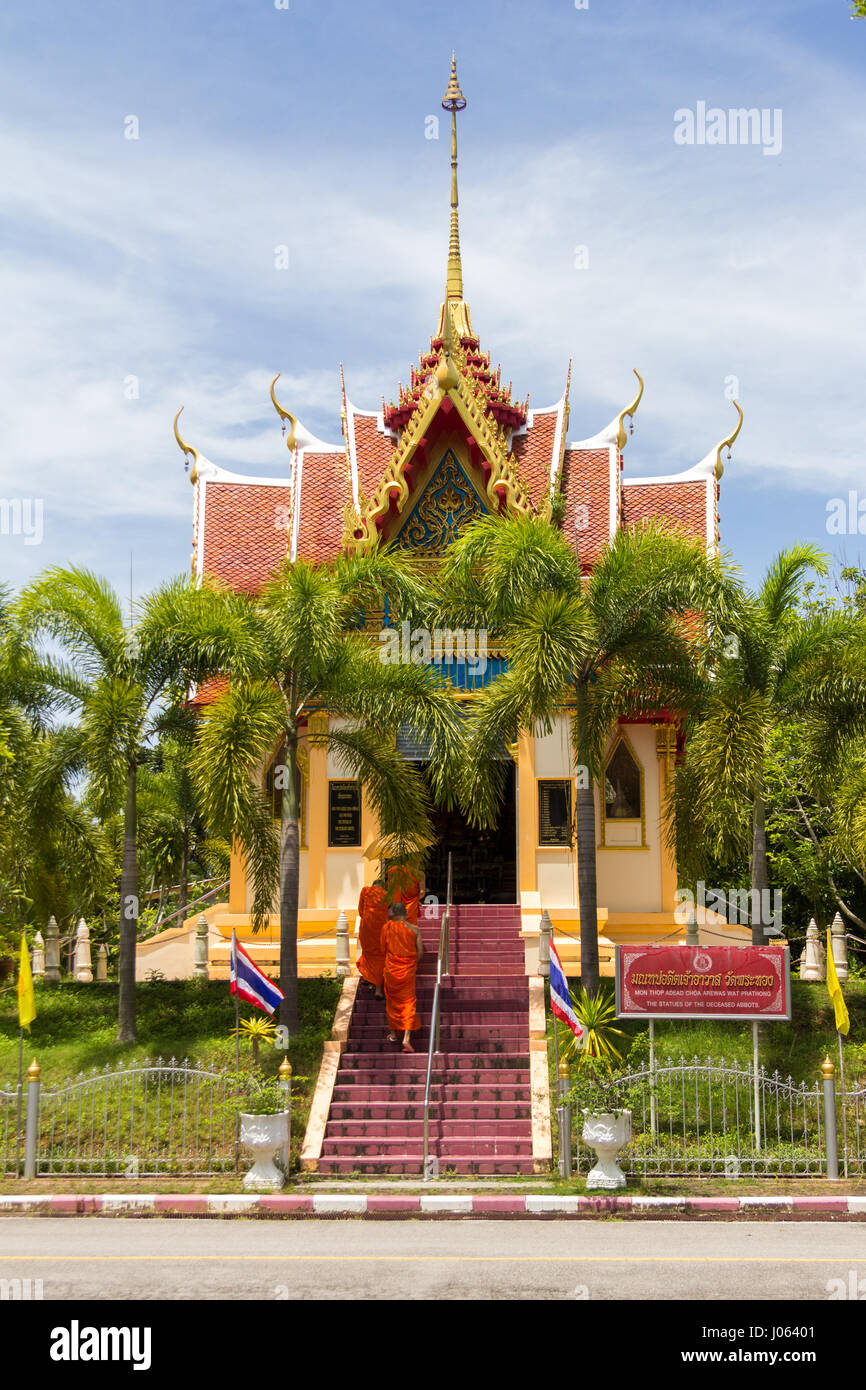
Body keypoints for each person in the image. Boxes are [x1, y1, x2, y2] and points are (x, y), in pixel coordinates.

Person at [382, 901, 424, 1052]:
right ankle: (406, 1038)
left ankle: (393, 1034)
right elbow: (420, 952)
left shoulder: (387, 928)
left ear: (392, 913)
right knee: (409, 1002)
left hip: (392, 971)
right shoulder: (415, 930)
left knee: (391, 1002)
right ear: (405, 914)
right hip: (407, 970)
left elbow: (383, 948)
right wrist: (411, 963)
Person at [356, 878, 388, 999]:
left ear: (373, 885)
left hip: (366, 929)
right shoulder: (386, 895)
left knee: (368, 953)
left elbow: (360, 911)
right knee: (380, 957)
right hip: (380, 931)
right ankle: (378, 990)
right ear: (383, 887)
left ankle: (367, 977)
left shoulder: (365, 891)